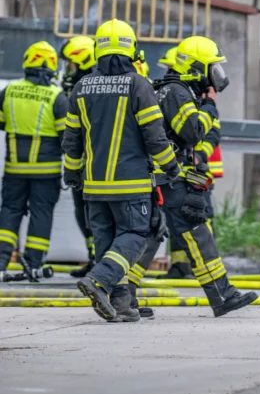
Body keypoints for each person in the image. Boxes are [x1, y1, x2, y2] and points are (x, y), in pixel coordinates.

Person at [123, 35, 257, 318]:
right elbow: (192, 131)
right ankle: (222, 295)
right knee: (196, 231)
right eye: (212, 68)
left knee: (151, 235)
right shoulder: (177, 92)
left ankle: (122, 294)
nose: (216, 76)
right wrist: (209, 106)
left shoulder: (169, 89)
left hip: (158, 176)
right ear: (197, 68)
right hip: (170, 178)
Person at [62, 18, 181, 322]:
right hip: (130, 184)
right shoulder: (138, 85)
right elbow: (154, 135)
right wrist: (171, 165)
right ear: (131, 48)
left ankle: (122, 304)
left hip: (94, 186)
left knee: (107, 241)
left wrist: (72, 173)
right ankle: (98, 280)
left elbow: (72, 140)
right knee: (135, 235)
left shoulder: (81, 86)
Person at [0, 41, 69, 278]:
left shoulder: (8, 91)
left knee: (9, 211)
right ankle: (33, 264)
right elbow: (67, 137)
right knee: (41, 214)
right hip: (46, 173)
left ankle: (1, 260)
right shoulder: (57, 97)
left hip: (14, 170)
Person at [156, 44, 223, 281]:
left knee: (197, 220)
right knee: (179, 223)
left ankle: (202, 270)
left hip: (197, 171)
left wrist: (199, 156)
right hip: (179, 172)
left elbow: (210, 134)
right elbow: (191, 132)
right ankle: (184, 267)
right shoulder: (180, 94)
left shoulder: (194, 99)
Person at [59, 35, 98, 278]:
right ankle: (95, 257)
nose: (67, 70)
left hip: (93, 162)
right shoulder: (78, 86)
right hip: (80, 162)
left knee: (93, 211)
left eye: (70, 65)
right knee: (82, 211)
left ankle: (102, 260)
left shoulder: (92, 86)